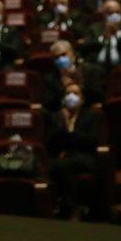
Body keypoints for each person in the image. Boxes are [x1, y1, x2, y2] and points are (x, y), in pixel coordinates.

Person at [46, 82, 101, 220]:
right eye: (68, 93)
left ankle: (70, 207)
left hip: (84, 158)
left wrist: (69, 129)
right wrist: (63, 125)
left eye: (76, 93)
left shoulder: (92, 116)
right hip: (62, 157)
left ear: (82, 99)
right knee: (57, 166)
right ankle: (61, 207)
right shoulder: (56, 117)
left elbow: (90, 141)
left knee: (62, 165)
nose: (71, 96)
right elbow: (51, 142)